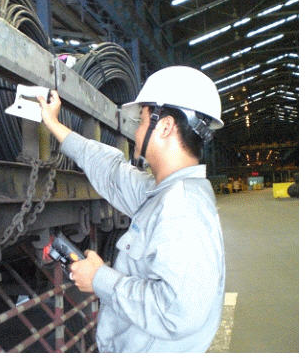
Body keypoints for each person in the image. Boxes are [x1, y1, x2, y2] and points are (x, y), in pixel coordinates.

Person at [38, 66, 226, 352]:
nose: (136, 131)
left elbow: (176, 313)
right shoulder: (162, 193)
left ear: (165, 126)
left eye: (141, 121)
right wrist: (53, 124)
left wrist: (99, 279)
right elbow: (111, 171)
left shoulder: (182, 207)